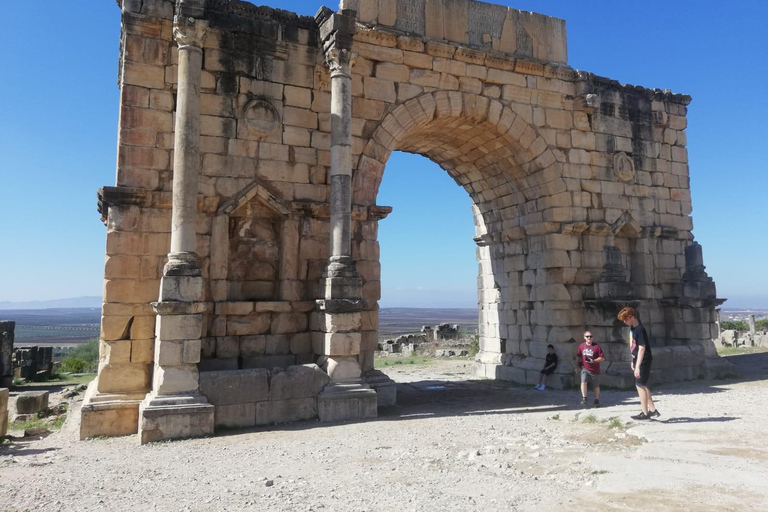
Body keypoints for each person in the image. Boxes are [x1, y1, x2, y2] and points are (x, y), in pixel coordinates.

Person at [618, 307, 659, 420]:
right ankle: (653, 410)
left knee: (639, 385)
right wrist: (633, 360)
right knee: (643, 385)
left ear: (631, 317)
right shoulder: (632, 328)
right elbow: (633, 346)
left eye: (625, 320)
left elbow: (642, 348)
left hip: (644, 360)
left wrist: (638, 367)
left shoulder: (640, 329)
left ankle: (645, 413)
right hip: (637, 359)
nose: (624, 322)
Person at [575, 331, 604, 407]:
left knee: (596, 386)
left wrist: (593, 361)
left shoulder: (596, 346)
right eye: (587, 336)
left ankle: (597, 400)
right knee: (583, 382)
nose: (589, 338)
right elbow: (578, 356)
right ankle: (584, 398)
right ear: (584, 337)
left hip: (594, 369)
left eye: (591, 336)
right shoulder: (581, 346)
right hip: (585, 368)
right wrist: (576, 366)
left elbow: (602, 358)